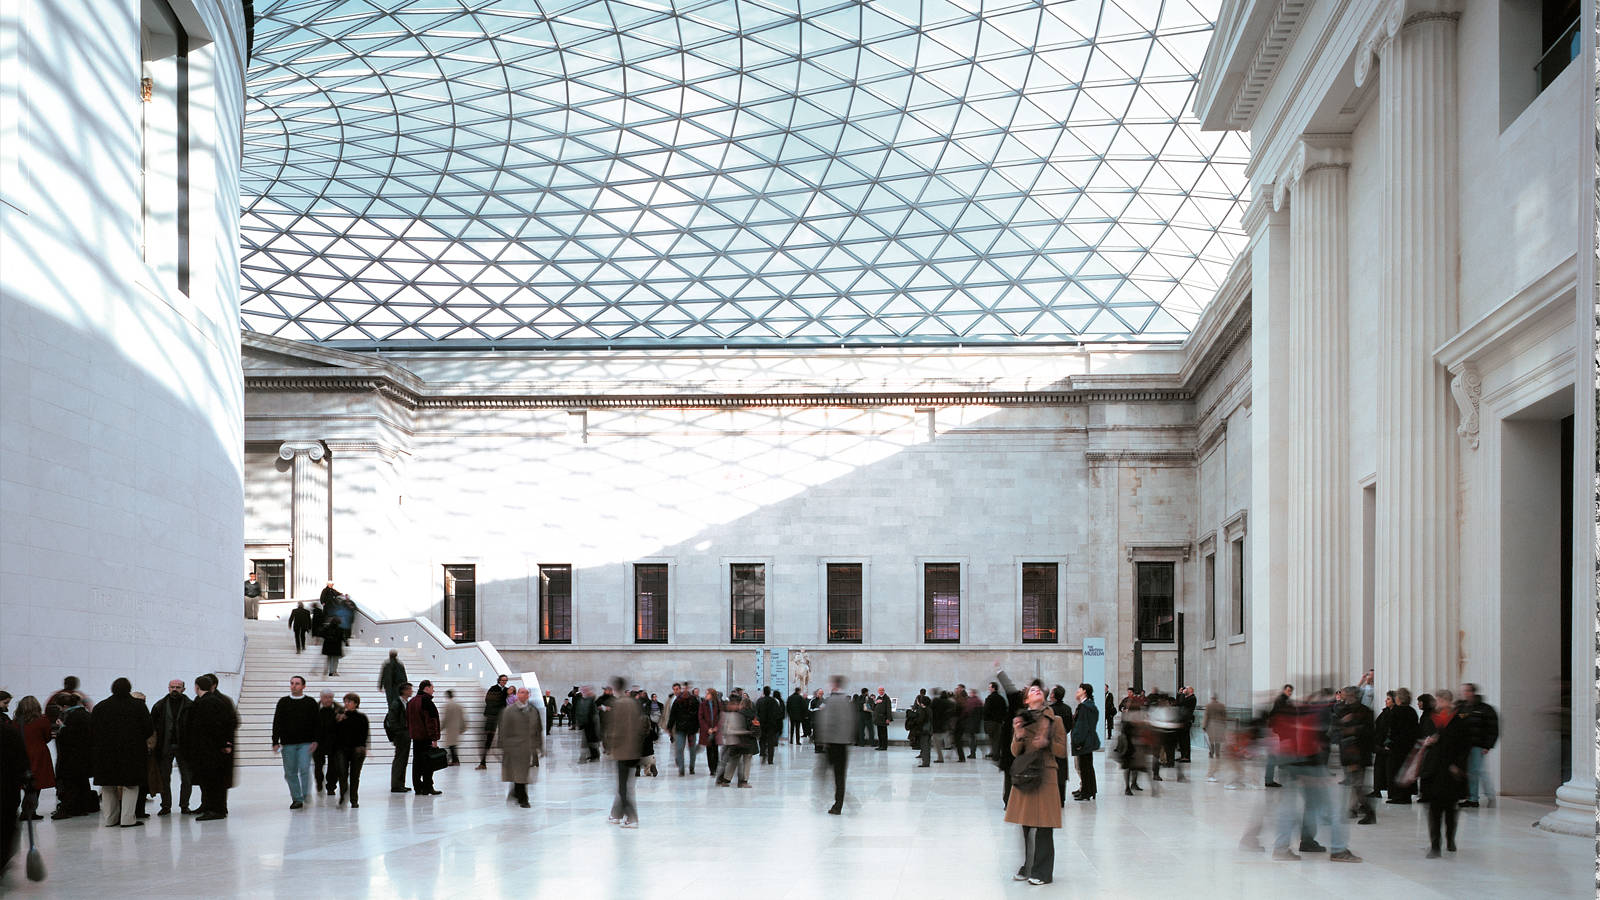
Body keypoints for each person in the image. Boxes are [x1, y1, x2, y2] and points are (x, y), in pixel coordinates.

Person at [1005, 684, 1069, 885]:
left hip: (1046, 775)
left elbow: (1062, 751)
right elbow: (1015, 751)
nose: (1036, 691)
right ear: (1026, 700)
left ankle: (1043, 872)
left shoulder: (1055, 720)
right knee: (1026, 825)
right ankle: (1028, 866)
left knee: (1044, 826)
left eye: (1038, 690)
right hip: (1025, 776)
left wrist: (1047, 742)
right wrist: (1018, 734)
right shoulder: (1021, 720)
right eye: (1032, 691)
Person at [91, 676, 153, 827]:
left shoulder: (101, 706)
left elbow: (93, 730)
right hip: (132, 752)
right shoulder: (138, 706)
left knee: (108, 786)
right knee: (131, 786)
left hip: (105, 753)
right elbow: (148, 729)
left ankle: (110, 819)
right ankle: (127, 819)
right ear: (129, 689)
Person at [1419, 688, 1469, 858]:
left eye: (1441, 700)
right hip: (1433, 770)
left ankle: (1450, 840)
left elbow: (1464, 747)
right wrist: (1427, 741)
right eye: (1437, 700)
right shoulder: (1430, 719)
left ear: (1447, 701)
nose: (1438, 703)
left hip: (1450, 771)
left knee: (1450, 809)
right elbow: (1422, 739)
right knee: (1434, 811)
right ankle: (1435, 845)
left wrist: (1458, 766)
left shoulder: (1458, 721)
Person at [187, 674, 237, 821]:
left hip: (211, 749)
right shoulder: (207, 701)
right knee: (209, 780)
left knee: (214, 780)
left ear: (197, 687)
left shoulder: (210, 702)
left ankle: (217, 809)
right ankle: (209, 806)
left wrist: (224, 743)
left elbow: (217, 726)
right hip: (212, 748)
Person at [271, 675, 319, 809]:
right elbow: (277, 722)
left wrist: (315, 740)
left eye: (297, 683)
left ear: (303, 686)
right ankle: (297, 798)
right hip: (288, 743)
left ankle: (304, 794)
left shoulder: (310, 702)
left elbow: (316, 722)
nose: (294, 686)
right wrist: (275, 741)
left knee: (304, 768)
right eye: (292, 683)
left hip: (306, 742)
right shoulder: (283, 702)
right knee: (290, 772)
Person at [604, 677, 644, 826]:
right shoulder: (633, 703)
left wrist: (610, 746)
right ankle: (617, 814)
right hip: (633, 749)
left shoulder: (618, 704)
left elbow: (617, 729)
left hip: (623, 751)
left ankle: (632, 817)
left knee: (623, 787)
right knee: (625, 785)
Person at [150, 679, 193, 814]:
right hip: (164, 747)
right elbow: (153, 728)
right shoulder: (160, 706)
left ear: (183, 689)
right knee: (164, 778)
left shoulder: (190, 706)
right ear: (168, 688)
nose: (175, 689)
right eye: (172, 687)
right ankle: (166, 806)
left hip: (184, 747)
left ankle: (184, 805)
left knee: (187, 778)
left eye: (178, 687)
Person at [497, 687, 544, 807]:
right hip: (514, 747)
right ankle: (523, 798)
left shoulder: (533, 710)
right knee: (521, 773)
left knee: (521, 772)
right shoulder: (509, 711)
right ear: (517, 695)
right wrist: (502, 746)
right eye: (521, 692)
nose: (523, 695)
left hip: (527, 747)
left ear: (529, 695)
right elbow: (503, 730)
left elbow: (538, 729)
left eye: (526, 693)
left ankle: (516, 792)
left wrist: (540, 746)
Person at [1336, 686, 1377, 825]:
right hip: (1349, 752)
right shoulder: (1343, 710)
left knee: (1357, 784)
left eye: (1346, 694)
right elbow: (1338, 729)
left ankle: (1369, 812)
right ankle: (1352, 809)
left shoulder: (1365, 712)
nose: (1344, 696)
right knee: (1355, 784)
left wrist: (1351, 728)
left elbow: (1368, 733)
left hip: (1358, 753)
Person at [50, 693, 95, 819]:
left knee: (71, 784)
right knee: (81, 782)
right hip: (83, 756)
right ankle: (81, 807)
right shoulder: (85, 714)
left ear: (65, 706)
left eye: (60, 707)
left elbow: (71, 737)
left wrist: (62, 728)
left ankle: (70, 808)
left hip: (72, 757)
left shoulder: (73, 717)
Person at [816, 676, 854, 814]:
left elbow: (826, 722)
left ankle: (824, 800)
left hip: (832, 744)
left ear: (834, 685)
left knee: (823, 773)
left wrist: (822, 740)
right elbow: (851, 722)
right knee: (840, 776)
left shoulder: (831, 701)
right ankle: (839, 803)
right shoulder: (846, 701)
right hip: (843, 744)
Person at [1456, 683, 1498, 808]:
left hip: (1478, 745)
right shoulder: (1462, 708)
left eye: (1465, 691)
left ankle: (1486, 796)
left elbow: (1492, 729)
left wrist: (1488, 745)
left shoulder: (1485, 709)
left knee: (1477, 771)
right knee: (1471, 771)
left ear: (1472, 692)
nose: (1463, 693)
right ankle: (1473, 797)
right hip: (1465, 745)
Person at [15, 697, 53, 817]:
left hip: (21, 753)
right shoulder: (42, 720)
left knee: (26, 783)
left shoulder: (15, 721)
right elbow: (47, 737)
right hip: (39, 753)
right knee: (36, 783)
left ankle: (27, 809)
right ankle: (29, 811)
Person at [329, 692, 368, 807]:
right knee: (342, 774)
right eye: (345, 701)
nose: (346, 704)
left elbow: (364, 734)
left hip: (356, 750)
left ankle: (354, 799)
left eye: (349, 702)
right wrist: (337, 721)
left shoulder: (361, 717)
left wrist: (362, 747)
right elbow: (333, 732)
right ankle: (343, 796)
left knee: (355, 776)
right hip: (342, 749)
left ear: (356, 704)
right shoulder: (339, 717)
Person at [407, 680, 443, 795]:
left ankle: (418, 787)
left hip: (415, 737)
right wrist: (434, 738)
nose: (434, 690)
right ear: (426, 688)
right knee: (428, 762)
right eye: (432, 688)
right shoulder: (426, 701)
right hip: (426, 737)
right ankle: (428, 786)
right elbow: (431, 721)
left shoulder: (411, 702)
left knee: (417, 762)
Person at [1385, 688, 1419, 805]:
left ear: (1398, 698)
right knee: (1407, 771)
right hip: (1409, 746)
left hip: (1397, 747)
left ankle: (1398, 795)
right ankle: (1406, 796)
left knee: (1395, 771)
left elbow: (1392, 730)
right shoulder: (1412, 711)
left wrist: (1389, 743)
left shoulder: (1396, 711)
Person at [1070, 683, 1099, 801]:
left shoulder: (1084, 707)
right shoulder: (1088, 705)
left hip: (1084, 742)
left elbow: (1081, 726)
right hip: (1088, 740)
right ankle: (1089, 790)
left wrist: (1078, 742)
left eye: (1079, 689)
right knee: (1087, 766)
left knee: (1085, 767)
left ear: (1085, 692)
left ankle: (1086, 792)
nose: (1077, 691)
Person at [477, 674, 509, 769]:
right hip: (492, 716)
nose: (504, 682)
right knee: (489, 739)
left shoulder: (506, 690)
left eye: (505, 680)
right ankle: (483, 762)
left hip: (501, 716)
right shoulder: (493, 688)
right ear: (499, 680)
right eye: (502, 680)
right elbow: (489, 700)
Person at [311, 689, 340, 796]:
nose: (328, 700)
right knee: (318, 766)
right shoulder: (314, 709)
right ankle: (319, 782)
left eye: (330, 697)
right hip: (318, 742)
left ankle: (331, 787)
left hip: (334, 743)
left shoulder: (340, 710)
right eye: (326, 697)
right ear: (321, 698)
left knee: (334, 767)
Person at [386, 682, 413, 793]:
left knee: (403, 760)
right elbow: (391, 720)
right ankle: (396, 785)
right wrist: (399, 732)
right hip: (401, 735)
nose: (411, 691)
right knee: (399, 760)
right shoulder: (397, 703)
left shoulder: (406, 703)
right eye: (410, 689)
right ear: (404, 691)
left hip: (405, 734)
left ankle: (400, 783)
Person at [667, 684, 699, 775]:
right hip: (680, 728)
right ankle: (681, 769)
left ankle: (691, 767)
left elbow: (698, 714)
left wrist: (697, 726)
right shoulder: (677, 701)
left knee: (692, 749)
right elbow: (673, 715)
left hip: (691, 729)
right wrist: (670, 727)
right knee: (680, 748)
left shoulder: (694, 700)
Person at [755, 686, 784, 764]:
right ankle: (770, 759)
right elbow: (778, 713)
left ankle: (762, 753)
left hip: (762, 724)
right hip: (771, 724)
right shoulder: (773, 701)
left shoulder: (759, 701)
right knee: (771, 742)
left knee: (762, 740)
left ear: (763, 692)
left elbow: (756, 712)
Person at [698, 688, 722, 775]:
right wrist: (707, 728)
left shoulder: (718, 704)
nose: (706, 695)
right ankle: (711, 769)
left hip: (716, 730)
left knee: (715, 749)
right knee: (709, 749)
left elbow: (721, 717)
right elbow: (701, 718)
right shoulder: (703, 705)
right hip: (707, 731)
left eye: (708, 694)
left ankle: (715, 767)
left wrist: (716, 727)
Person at [441, 689, 467, 766]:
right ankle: (455, 760)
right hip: (456, 728)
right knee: (453, 745)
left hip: (450, 728)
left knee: (451, 745)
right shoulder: (458, 705)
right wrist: (463, 728)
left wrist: (440, 728)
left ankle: (455, 761)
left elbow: (445, 719)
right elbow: (463, 717)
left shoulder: (447, 706)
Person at [983, 682, 1008, 759]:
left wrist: (986, 718)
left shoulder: (990, 698)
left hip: (991, 721)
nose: (989, 689)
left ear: (993, 688)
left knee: (993, 738)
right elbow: (1005, 710)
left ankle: (995, 754)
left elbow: (986, 710)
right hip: (999, 721)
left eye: (990, 687)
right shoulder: (1001, 698)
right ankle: (995, 753)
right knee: (997, 738)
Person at [1203, 694, 1227, 764]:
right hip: (1219, 724)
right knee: (1218, 740)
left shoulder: (1208, 706)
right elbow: (1224, 716)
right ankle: (1217, 753)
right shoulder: (1222, 706)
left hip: (1211, 724)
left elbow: (1206, 716)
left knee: (1211, 740)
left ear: (1212, 698)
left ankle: (1211, 752)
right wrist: (1224, 725)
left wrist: (1204, 726)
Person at [871, 687, 892, 752]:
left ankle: (884, 746)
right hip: (878, 718)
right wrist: (875, 702)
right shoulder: (878, 697)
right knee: (879, 733)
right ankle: (880, 745)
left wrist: (888, 718)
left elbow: (888, 709)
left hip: (883, 718)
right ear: (878, 691)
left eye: (882, 690)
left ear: (884, 691)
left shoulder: (886, 698)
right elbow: (873, 708)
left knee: (884, 733)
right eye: (879, 690)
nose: (881, 691)